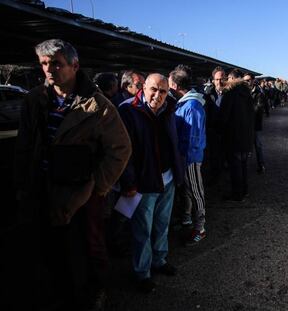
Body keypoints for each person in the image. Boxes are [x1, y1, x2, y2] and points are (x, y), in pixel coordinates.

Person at [14, 39, 131, 310]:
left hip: (80, 190)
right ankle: (59, 291)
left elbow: (121, 149)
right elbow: (23, 145)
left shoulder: (97, 105)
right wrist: (21, 184)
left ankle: (94, 291)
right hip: (42, 186)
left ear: (75, 65)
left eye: (57, 63)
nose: (49, 69)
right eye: (44, 63)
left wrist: (97, 186)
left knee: (89, 244)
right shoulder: (34, 100)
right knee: (49, 245)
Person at [118, 73, 184, 293]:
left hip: (167, 178)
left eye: (163, 91)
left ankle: (159, 260)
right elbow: (123, 151)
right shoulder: (128, 110)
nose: (158, 95)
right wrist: (128, 182)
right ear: (143, 87)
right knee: (142, 230)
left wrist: (178, 171)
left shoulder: (170, 108)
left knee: (162, 224)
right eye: (153, 89)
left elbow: (173, 141)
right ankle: (142, 272)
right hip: (143, 182)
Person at [169, 65, 207, 245]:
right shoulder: (184, 103)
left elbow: (194, 138)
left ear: (175, 86)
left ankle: (200, 228)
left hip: (190, 158)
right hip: (183, 157)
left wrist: (185, 158)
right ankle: (187, 219)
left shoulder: (192, 106)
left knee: (196, 191)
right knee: (186, 191)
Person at [220, 69, 255, 202]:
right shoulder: (247, 93)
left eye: (228, 78)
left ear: (233, 79)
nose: (226, 80)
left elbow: (224, 117)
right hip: (246, 136)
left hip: (233, 137)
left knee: (235, 168)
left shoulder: (230, 94)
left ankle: (237, 194)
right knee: (244, 166)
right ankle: (244, 191)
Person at [204, 66, 226, 185]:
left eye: (221, 78)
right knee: (213, 154)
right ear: (213, 80)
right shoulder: (208, 94)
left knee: (224, 154)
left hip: (226, 130)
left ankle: (223, 173)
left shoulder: (230, 93)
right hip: (212, 130)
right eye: (217, 79)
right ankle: (214, 176)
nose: (219, 82)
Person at [243, 73, 265, 174]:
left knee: (258, 145)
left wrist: (247, 113)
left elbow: (259, 107)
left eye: (248, 80)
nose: (246, 82)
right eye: (245, 80)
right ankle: (244, 167)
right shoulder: (242, 92)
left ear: (252, 80)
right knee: (245, 146)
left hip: (255, 124)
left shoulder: (259, 93)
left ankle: (261, 165)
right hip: (244, 125)